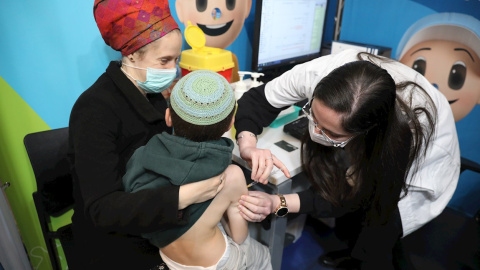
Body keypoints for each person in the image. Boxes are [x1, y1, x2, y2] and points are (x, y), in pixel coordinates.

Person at [234, 49, 460, 269]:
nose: (315, 132)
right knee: (350, 227)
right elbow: (257, 100)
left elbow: (347, 197)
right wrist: (247, 146)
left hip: (422, 163)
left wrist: (278, 203)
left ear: (367, 130)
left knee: (377, 235)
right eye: (314, 116)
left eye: (332, 133)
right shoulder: (317, 73)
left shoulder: (402, 134)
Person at [68, 1, 226, 269]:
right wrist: (185, 196)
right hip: (116, 242)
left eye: (176, 59)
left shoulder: (152, 95)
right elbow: (102, 210)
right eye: (164, 60)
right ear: (131, 55)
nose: (173, 69)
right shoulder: (94, 110)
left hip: (155, 218)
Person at [123, 69, 272, 270]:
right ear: (230, 124)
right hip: (216, 262)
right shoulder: (232, 176)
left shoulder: (142, 156)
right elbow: (239, 236)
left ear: (168, 117)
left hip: (170, 258)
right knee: (263, 254)